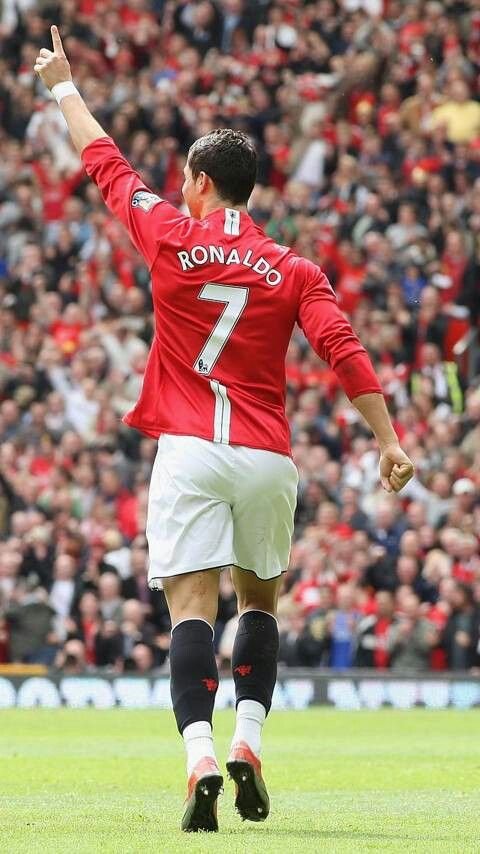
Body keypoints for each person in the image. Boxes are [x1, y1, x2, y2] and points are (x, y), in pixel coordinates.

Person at [33, 27, 415, 833]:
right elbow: (342, 347)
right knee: (260, 602)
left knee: (191, 612)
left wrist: (64, 84)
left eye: (184, 178)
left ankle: (200, 755)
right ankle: (250, 741)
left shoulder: (168, 235)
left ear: (200, 183)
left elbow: (106, 164)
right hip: (266, 456)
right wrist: (387, 438)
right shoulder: (294, 268)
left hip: (190, 451)